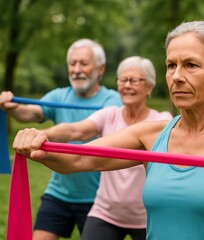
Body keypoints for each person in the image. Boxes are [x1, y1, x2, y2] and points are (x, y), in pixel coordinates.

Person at [13, 21, 204, 240]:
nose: (177, 76)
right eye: (171, 66)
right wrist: (41, 145)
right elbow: (79, 160)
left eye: (191, 65)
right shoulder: (149, 135)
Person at [1, 38, 122, 240]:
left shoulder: (113, 101)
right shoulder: (58, 96)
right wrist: (13, 107)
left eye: (83, 63)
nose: (76, 69)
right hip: (58, 194)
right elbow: (31, 113)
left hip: (99, 199)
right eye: (72, 63)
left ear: (100, 69)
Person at [41, 56, 173, 240]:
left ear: (149, 87)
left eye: (134, 80)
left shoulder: (161, 120)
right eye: (123, 80)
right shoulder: (109, 114)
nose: (127, 85)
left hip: (148, 216)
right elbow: (74, 131)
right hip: (106, 214)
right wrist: (43, 135)